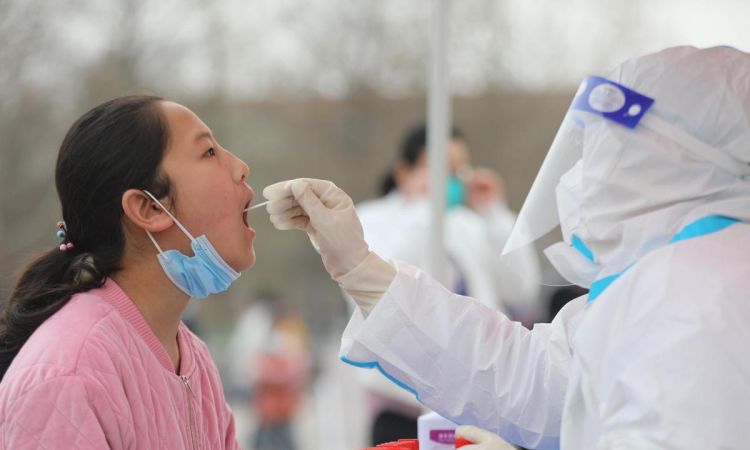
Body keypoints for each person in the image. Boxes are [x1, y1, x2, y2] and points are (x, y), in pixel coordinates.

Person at [263, 46, 750, 449]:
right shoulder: (670, 275)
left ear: (676, 161)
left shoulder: (699, 299)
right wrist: (360, 268)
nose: (585, 175)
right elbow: (530, 375)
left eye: (611, 148)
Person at [0, 95, 258, 448]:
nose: (241, 167)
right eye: (209, 153)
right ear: (148, 207)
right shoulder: (70, 374)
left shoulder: (193, 356)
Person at [353, 124, 540, 445]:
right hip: (403, 406)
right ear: (404, 172)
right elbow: (380, 281)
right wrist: (425, 209)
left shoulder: (468, 225)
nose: (452, 180)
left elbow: (521, 288)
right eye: (440, 169)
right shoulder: (371, 219)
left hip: (477, 407)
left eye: (459, 170)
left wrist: (494, 213)